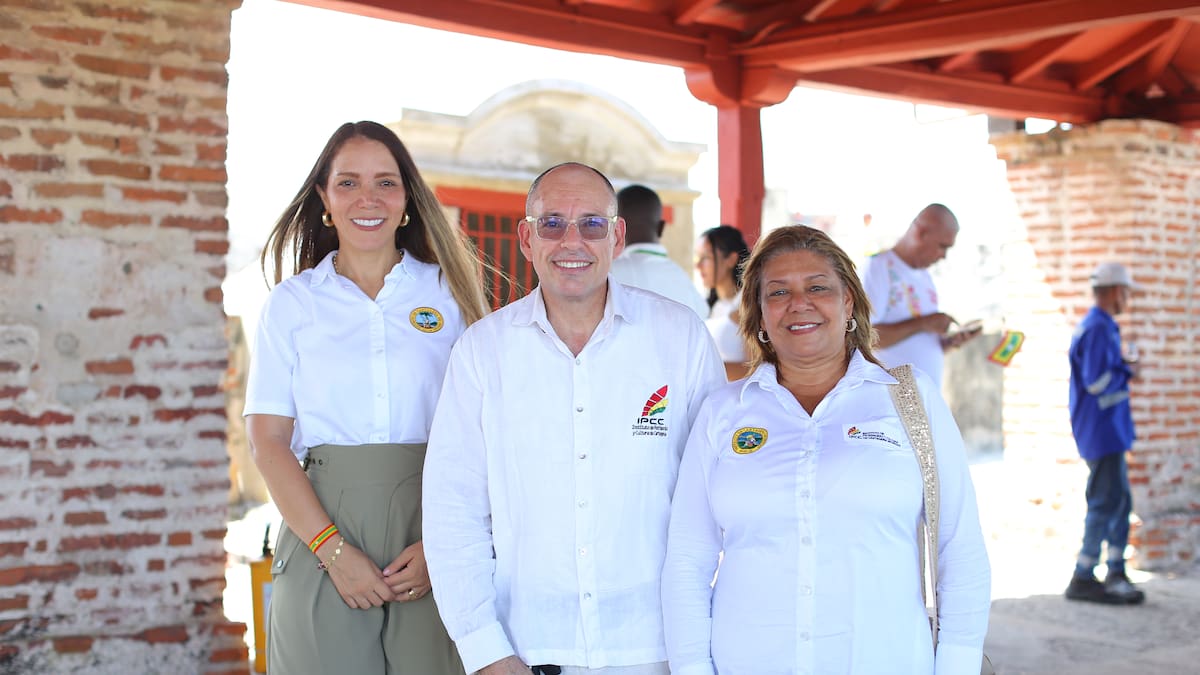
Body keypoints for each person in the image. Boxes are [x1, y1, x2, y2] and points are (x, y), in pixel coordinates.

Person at [422, 162, 726, 675]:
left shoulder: (682, 339)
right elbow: (454, 512)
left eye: (591, 223)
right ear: (525, 237)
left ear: (618, 235)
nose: (572, 241)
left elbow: (719, 496)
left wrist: (698, 653)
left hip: (658, 649)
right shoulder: (482, 353)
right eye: (552, 223)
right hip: (529, 651)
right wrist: (487, 653)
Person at [663, 225, 991, 674]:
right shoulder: (723, 412)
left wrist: (958, 666)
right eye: (778, 292)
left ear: (848, 302)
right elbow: (687, 559)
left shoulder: (909, 400)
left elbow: (961, 548)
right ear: (758, 314)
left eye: (818, 287)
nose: (799, 303)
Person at [244, 121, 488, 674]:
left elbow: (485, 430)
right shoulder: (292, 304)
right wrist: (331, 549)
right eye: (348, 183)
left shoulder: (448, 293)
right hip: (322, 523)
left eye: (386, 182)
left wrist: (442, 545)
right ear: (325, 200)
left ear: (407, 201)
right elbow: (267, 441)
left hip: (432, 528)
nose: (368, 198)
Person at [1064, 262, 1145, 605]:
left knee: (1119, 500)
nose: (1127, 298)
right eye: (1126, 291)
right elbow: (1097, 382)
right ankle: (1084, 575)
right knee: (1104, 501)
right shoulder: (1097, 328)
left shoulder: (1103, 326)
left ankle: (1115, 569)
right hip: (1101, 430)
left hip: (1110, 429)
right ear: (1114, 291)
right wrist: (1129, 372)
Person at [861, 203, 981, 385]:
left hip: (924, 400)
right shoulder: (878, 267)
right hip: (893, 399)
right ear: (921, 233)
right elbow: (865, 338)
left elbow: (921, 343)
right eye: (942, 246)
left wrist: (950, 343)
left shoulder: (925, 276)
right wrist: (924, 323)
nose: (943, 256)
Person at [610, 184, 708, 318]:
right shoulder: (681, 278)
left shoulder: (608, 273)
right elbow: (703, 317)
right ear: (661, 227)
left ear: (616, 230)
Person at [695, 225, 751, 379]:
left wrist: (702, 368)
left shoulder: (746, 306)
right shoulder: (717, 305)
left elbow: (757, 369)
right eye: (697, 258)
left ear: (731, 259)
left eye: (706, 258)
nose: (698, 266)